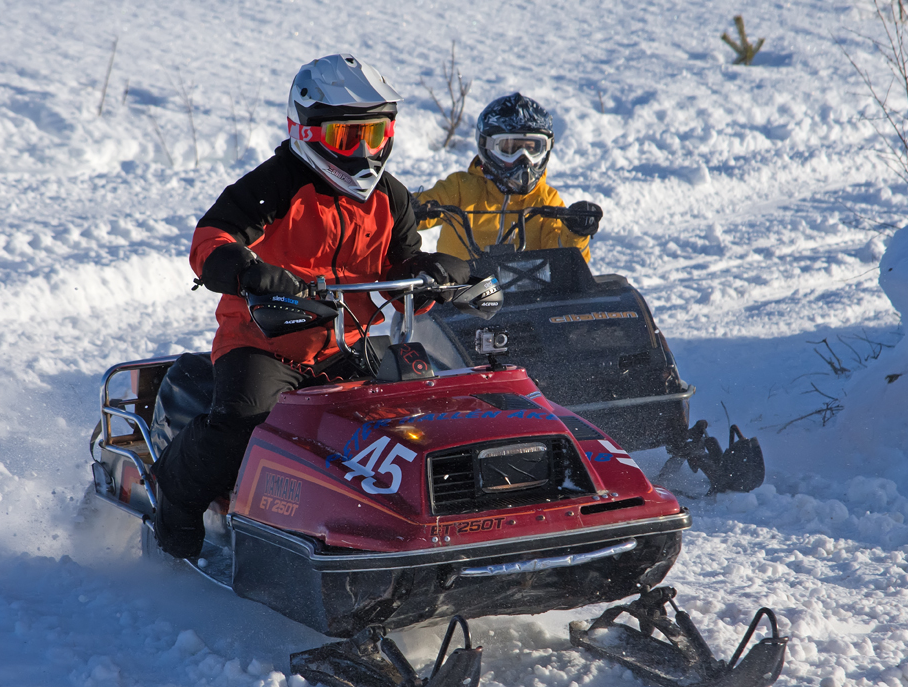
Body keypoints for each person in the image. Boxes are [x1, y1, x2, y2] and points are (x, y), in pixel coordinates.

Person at [150, 54, 469, 559]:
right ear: (307, 131)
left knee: (415, 419)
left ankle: (415, 531)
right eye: (347, 137)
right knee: (243, 423)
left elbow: (402, 265)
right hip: (265, 343)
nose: (364, 151)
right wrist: (247, 270)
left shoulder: (391, 197)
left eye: (376, 134)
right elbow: (209, 239)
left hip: (348, 343)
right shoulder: (274, 185)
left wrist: (433, 276)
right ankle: (172, 504)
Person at [414, 93, 601, 262]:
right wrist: (410, 209)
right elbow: (419, 209)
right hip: (459, 292)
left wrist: (576, 232)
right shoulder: (460, 188)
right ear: (487, 147)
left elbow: (565, 262)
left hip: (528, 295)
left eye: (532, 149)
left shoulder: (546, 201)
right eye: (510, 149)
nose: (523, 159)